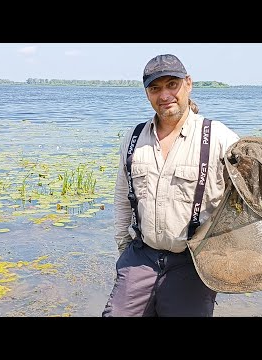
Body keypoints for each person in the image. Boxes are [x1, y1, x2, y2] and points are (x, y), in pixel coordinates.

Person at [101, 54, 240, 317]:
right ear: (147, 93)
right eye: (155, 88)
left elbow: (248, 198)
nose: (164, 95)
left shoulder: (219, 137)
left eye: (172, 85)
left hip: (192, 261)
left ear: (188, 83)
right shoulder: (133, 139)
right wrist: (124, 250)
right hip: (141, 256)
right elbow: (122, 198)